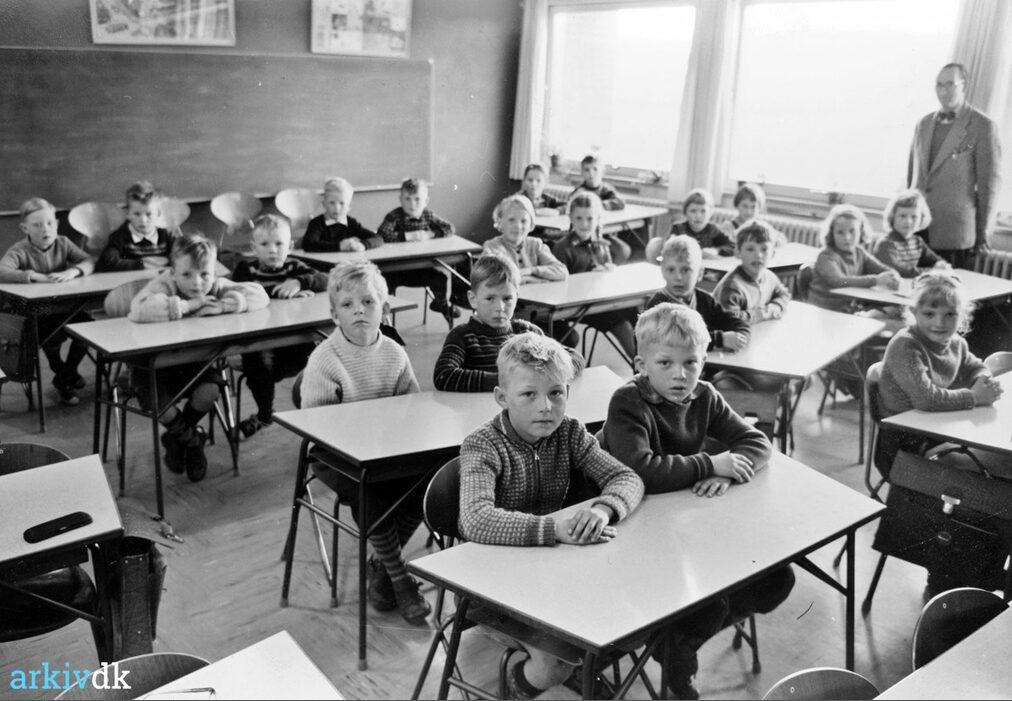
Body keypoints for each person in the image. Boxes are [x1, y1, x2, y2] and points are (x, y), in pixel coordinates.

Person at [601, 303, 794, 698]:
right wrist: (709, 464)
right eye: (666, 363)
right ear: (641, 364)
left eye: (691, 363)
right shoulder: (627, 402)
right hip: (636, 530)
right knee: (710, 601)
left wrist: (725, 473)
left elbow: (757, 442)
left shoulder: (704, 395)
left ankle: (679, 640)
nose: (680, 374)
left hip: (688, 521)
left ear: (703, 362)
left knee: (778, 579)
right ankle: (678, 638)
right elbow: (641, 471)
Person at [459, 332, 644, 699]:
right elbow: (475, 519)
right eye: (529, 394)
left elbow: (627, 478)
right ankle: (520, 685)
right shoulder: (482, 444)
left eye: (556, 393)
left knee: (633, 623)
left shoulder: (569, 432)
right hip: (492, 587)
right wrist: (553, 529)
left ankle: (581, 670)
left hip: (553, 574)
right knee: (554, 664)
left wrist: (604, 509)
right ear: (502, 398)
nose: (545, 406)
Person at [301, 260, 432, 625]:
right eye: (347, 304)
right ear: (334, 314)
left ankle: (382, 565)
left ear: (384, 309)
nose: (359, 310)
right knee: (368, 490)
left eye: (368, 302)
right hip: (334, 455)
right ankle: (400, 578)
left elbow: (412, 407)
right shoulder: (325, 359)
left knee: (428, 481)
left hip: (383, 450)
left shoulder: (394, 353)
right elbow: (317, 426)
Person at [877, 270, 1003, 597]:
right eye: (929, 313)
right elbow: (926, 398)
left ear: (962, 317)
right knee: (983, 492)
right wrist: (974, 397)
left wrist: (984, 380)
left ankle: (979, 573)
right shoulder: (905, 345)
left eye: (950, 314)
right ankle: (945, 578)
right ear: (913, 313)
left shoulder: (955, 343)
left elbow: (974, 365)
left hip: (937, 439)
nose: (939, 322)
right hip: (902, 448)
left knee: (997, 486)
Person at [128, 235, 269, 481]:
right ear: (173, 273)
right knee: (159, 405)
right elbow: (139, 309)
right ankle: (194, 441)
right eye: (187, 275)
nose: (197, 283)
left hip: (193, 364)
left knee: (209, 392)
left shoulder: (214, 285)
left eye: (205, 274)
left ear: (214, 272)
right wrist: (189, 305)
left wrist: (226, 305)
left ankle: (177, 437)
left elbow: (260, 295)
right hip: (153, 366)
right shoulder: (164, 285)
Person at [231, 214, 328, 436]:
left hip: (294, 346)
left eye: (279, 244)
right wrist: (280, 296)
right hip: (259, 342)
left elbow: (325, 279)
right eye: (264, 244)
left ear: (290, 246)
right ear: (253, 248)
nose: (272, 250)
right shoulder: (246, 271)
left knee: (320, 360)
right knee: (255, 366)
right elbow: (237, 292)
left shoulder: (294, 268)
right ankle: (265, 415)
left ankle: (317, 415)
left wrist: (299, 282)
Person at [0, 197, 94, 405]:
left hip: (65, 309)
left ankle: (64, 376)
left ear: (57, 224)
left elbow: (88, 260)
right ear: (25, 228)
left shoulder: (63, 243)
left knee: (89, 327)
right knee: (51, 335)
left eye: (50, 223)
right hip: (39, 313)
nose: (46, 229)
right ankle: (63, 373)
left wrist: (73, 271)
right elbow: (2, 271)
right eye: (37, 225)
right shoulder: (19, 250)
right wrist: (34, 276)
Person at [908, 63, 1002, 269]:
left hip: (954, 232)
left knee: (949, 287)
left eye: (950, 84)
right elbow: (912, 176)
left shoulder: (983, 126)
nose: (943, 91)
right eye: (939, 85)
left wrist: (983, 231)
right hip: (916, 228)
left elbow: (989, 185)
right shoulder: (923, 124)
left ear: (964, 85)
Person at [433, 253, 542, 392]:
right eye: (490, 298)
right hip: (479, 406)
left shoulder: (527, 331)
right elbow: (443, 375)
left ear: (516, 298)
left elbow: (565, 359)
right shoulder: (462, 336)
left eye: (507, 299)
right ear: (473, 299)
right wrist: (506, 381)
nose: (500, 307)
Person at [552, 192, 636, 357]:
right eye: (579, 218)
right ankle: (639, 363)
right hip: (578, 307)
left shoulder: (600, 244)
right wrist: (589, 278)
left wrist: (608, 272)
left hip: (600, 301)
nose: (584, 224)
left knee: (636, 312)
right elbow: (559, 289)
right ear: (570, 218)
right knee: (622, 322)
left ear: (598, 219)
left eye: (590, 219)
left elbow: (608, 276)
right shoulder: (562, 247)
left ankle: (646, 360)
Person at [646, 235, 750, 353]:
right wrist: (719, 339)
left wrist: (740, 337)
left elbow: (732, 321)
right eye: (671, 270)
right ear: (662, 271)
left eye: (685, 270)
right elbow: (677, 340)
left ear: (700, 273)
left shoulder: (705, 300)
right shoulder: (657, 306)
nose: (678, 277)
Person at [377, 177, 460, 318]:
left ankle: (440, 304)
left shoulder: (427, 214)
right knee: (385, 282)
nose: (412, 204)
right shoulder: (394, 216)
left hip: (421, 267)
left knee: (440, 278)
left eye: (417, 199)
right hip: (396, 269)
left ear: (426, 201)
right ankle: (384, 315)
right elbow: (383, 234)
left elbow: (449, 228)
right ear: (400, 199)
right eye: (407, 199)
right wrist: (410, 236)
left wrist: (430, 234)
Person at [808, 204, 899, 313]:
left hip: (847, 308)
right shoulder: (826, 256)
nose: (847, 237)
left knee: (894, 312)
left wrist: (894, 276)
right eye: (840, 232)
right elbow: (839, 281)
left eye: (852, 231)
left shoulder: (859, 252)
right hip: (824, 310)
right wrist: (876, 280)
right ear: (831, 234)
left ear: (861, 231)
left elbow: (881, 268)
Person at [712, 221, 791, 323]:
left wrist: (775, 306)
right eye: (750, 249)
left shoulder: (770, 277)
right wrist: (763, 313)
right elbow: (729, 319)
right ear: (738, 252)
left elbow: (783, 294)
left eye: (764, 249)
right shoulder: (732, 287)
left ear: (772, 254)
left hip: (758, 330)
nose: (758, 255)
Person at [482, 194, 567, 284]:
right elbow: (496, 279)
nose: (518, 226)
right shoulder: (492, 247)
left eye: (524, 221)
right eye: (511, 220)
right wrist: (531, 279)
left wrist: (531, 270)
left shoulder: (536, 244)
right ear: (500, 222)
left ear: (531, 224)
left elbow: (562, 272)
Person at [98, 180, 174, 271]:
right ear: (127, 213)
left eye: (149, 214)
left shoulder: (167, 234)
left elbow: (185, 256)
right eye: (137, 214)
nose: (143, 220)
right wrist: (140, 264)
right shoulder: (119, 237)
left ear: (158, 213)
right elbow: (105, 262)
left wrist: (168, 260)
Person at [872, 189, 950, 278]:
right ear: (892, 217)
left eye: (914, 217)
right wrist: (932, 271)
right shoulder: (885, 244)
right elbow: (899, 271)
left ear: (921, 219)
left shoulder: (917, 242)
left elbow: (935, 260)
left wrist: (942, 265)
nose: (908, 221)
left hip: (908, 284)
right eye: (902, 216)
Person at [646, 189, 733, 263]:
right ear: (685, 213)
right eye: (693, 211)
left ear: (710, 213)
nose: (698, 216)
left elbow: (732, 246)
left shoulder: (713, 230)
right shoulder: (678, 228)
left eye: (703, 211)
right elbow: (668, 249)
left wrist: (716, 250)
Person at [302, 177, 382, 252]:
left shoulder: (351, 223)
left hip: (346, 261)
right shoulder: (317, 223)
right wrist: (339, 246)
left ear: (349, 207)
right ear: (324, 204)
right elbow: (308, 244)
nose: (337, 208)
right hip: (322, 262)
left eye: (342, 203)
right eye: (331, 203)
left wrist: (363, 245)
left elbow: (378, 238)